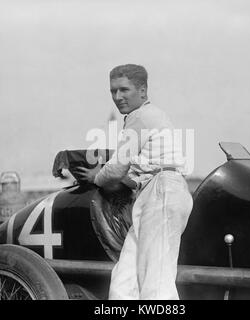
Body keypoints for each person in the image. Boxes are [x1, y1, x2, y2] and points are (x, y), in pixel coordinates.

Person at [76, 64, 193, 300]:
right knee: (124, 280)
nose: (117, 97)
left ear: (142, 91)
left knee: (156, 281)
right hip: (153, 192)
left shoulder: (141, 116)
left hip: (163, 192)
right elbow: (136, 173)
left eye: (124, 90)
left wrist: (95, 177)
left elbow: (117, 168)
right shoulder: (147, 117)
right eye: (113, 91)